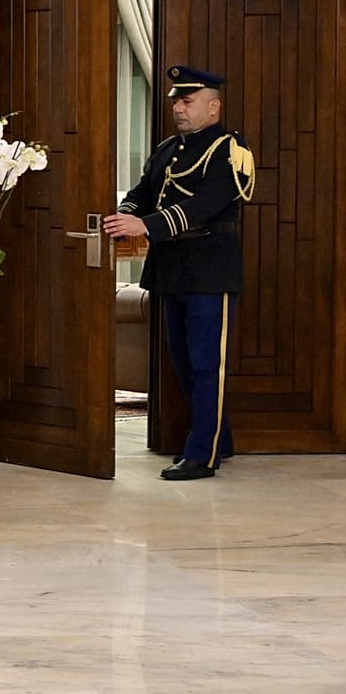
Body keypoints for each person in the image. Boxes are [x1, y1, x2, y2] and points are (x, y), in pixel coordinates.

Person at [105, 66, 255, 481]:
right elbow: (143, 191)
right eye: (176, 101)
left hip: (210, 267)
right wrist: (126, 215)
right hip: (171, 268)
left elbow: (205, 204)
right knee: (184, 362)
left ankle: (202, 455)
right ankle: (218, 439)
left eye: (187, 101)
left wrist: (147, 226)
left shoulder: (230, 149)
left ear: (213, 106)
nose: (178, 108)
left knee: (208, 363)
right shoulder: (169, 148)